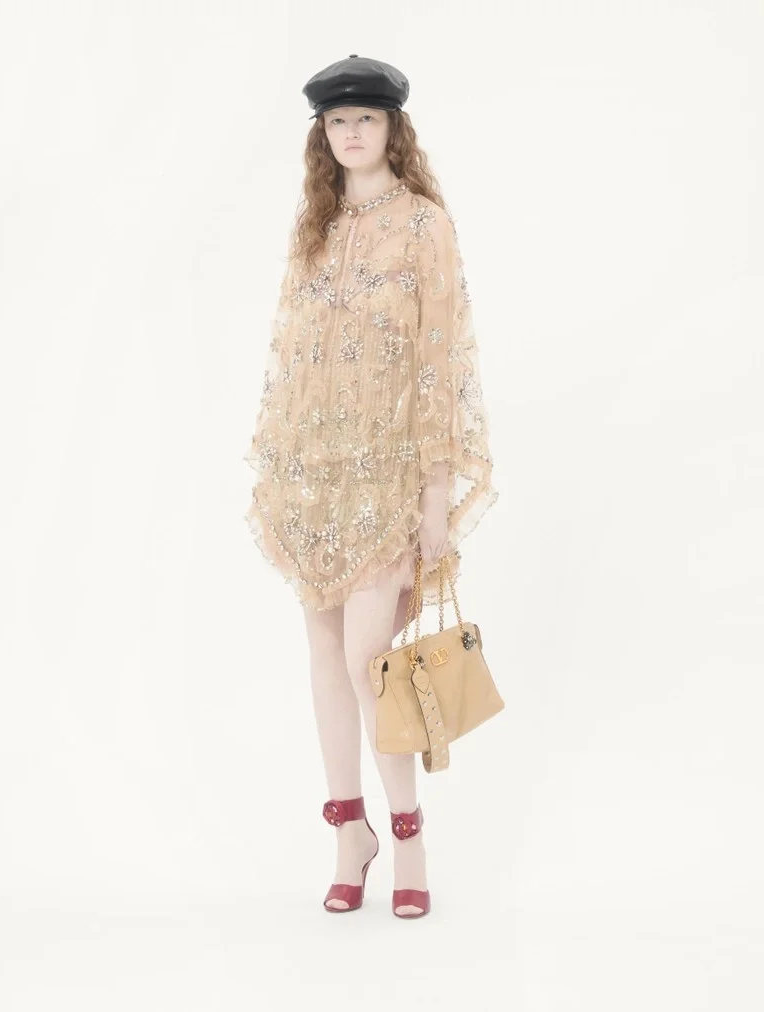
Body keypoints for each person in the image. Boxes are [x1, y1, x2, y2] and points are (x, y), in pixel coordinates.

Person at [243, 55, 499, 918]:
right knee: (324, 655)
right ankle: (348, 833)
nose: (351, 132)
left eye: (367, 118)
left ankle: (409, 833)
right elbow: (292, 357)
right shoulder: (314, 226)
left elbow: (438, 363)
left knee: (370, 662)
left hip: (389, 478)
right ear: (323, 134)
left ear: (394, 128)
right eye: (338, 121)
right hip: (311, 475)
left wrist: (434, 495)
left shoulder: (424, 225)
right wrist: (281, 467)